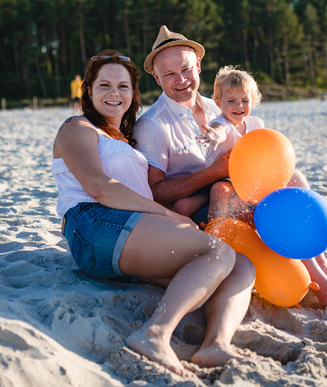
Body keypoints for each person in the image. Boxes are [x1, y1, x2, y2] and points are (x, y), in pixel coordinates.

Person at [134, 25, 327, 314]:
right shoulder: (153, 124)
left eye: (186, 69)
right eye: (169, 74)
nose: (181, 80)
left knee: (294, 180)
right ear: (155, 77)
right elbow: (155, 193)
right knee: (274, 206)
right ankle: (325, 288)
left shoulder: (217, 106)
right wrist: (211, 175)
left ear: (198, 65)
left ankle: (325, 271)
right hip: (204, 209)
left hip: (233, 185)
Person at [52, 50, 256, 376]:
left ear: (134, 93)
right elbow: (99, 187)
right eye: (104, 85)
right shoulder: (77, 127)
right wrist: (168, 216)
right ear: (88, 91)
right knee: (216, 252)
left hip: (129, 233)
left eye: (123, 86)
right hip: (92, 223)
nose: (115, 93)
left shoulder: (125, 139)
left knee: (239, 265)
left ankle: (215, 345)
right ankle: (155, 335)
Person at [174, 65, 265, 222]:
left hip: (244, 180)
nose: (239, 106)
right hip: (217, 179)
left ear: (253, 101)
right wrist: (214, 135)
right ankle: (218, 229)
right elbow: (220, 130)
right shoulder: (222, 122)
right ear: (217, 103)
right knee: (203, 197)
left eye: (245, 100)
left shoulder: (255, 124)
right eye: (231, 101)